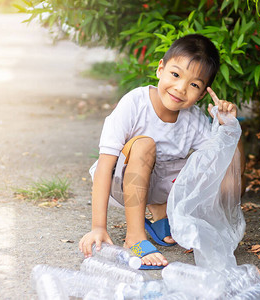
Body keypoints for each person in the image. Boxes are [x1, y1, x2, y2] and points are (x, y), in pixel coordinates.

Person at [78, 34, 239, 269]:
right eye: (175, 74)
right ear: (160, 69)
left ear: (203, 93)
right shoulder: (134, 103)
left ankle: (162, 214)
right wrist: (98, 227)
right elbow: (105, 165)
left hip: (160, 186)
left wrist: (228, 126)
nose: (180, 88)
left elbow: (222, 166)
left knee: (205, 159)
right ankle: (135, 236)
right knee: (145, 145)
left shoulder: (193, 120)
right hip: (121, 183)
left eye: (194, 84)